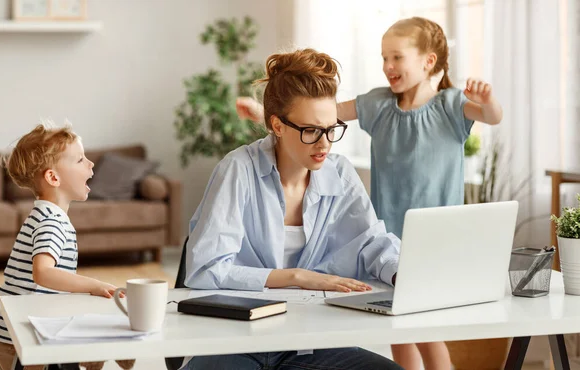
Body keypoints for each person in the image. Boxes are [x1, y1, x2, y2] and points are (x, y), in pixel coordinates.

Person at [236, 16, 503, 370]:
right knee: (398, 325)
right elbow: (321, 117)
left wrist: (487, 99)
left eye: (397, 57)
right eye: (383, 58)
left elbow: (492, 117)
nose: (387, 66)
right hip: (386, 234)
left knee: (427, 326)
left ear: (429, 62)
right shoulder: (378, 103)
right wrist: (264, 113)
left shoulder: (449, 105)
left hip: (433, 236)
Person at [184, 48, 403, 370]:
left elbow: (371, 243)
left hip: (308, 338)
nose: (325, 144)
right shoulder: (238, 170)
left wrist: (402, 272)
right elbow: (206, 269)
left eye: (331, 129)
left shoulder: (339, 172)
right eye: (311, 130)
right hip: (234, 337)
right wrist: (297, 277)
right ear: (277, 125)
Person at [0, 123, 135, 370]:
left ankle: (97, 353)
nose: (91, 164)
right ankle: (100, 352)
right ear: (53, 177)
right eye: (80, 160)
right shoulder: (50, 222)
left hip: (17, 326)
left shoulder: (49, 216)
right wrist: (95, 286)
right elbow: (43, 272)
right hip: (15, 336)